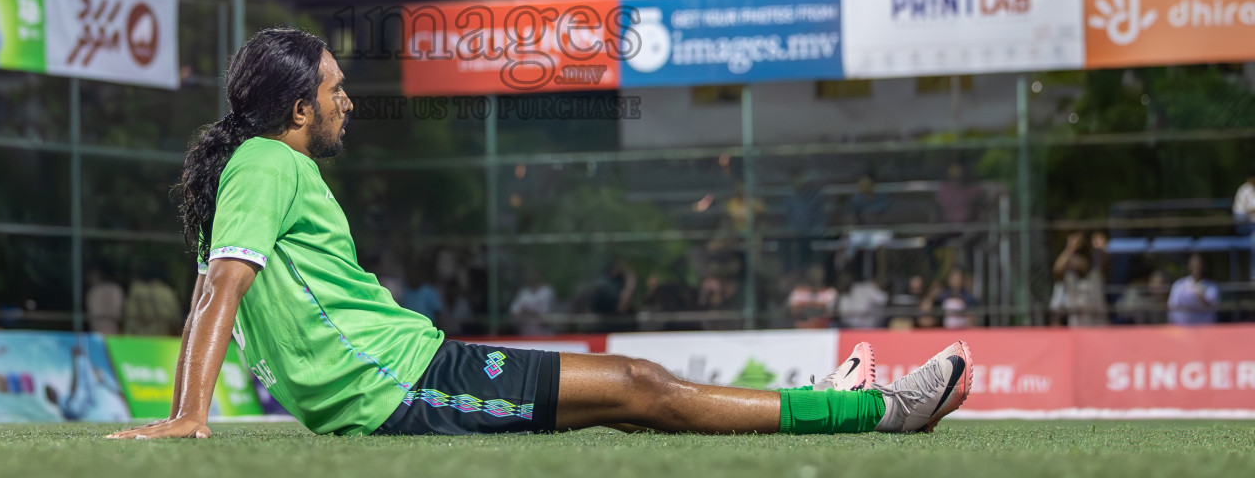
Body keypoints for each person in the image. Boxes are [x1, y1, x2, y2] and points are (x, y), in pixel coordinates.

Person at [107, 28, 972, 441]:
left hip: (412, 373)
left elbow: (205, 293)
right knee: (641, 386)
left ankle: (827, 400)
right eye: (334, 89)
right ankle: (882, 411)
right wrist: (188, 416)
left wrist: (189, 404)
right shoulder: (268, 165)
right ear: (298, 108)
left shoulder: (247, 174)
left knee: (638, 396)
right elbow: (221, 291)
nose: (346, 100)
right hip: (405, 389)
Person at [1049, 232, 1107, 327]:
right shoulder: (1069, 275)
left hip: (1098, 320)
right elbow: (1057, 269)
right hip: (1078, 323)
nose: (1075, 260)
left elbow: (1103, 260)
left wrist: (1098, 246)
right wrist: (1069, 249)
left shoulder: (1096, 272)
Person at [124, 264, 183, 336]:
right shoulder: (167, 292)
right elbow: (175, 318)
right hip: (160, 335)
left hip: (139, 335)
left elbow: (130, 313)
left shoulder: (136, 289)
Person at [1167, 253, 1220, 325]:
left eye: (1199, 264)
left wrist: (1201, 298)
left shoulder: (1212, 286)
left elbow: (1214, 306)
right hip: (1181, 328)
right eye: (1194, 264)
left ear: (1204, 266)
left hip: (1206, 328)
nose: (1197, 267)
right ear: (1189, 266)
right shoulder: (1179, 284)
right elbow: (1171, 305)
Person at [507, 270, 558, 336]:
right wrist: (531, 314)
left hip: (545, 337)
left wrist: (526, 312)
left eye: (534, 275)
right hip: (525, 337)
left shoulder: (547, 291)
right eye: (529, 276)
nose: (531, 278)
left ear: (539, 276)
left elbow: (545, 317)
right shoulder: (523, 292)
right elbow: (513, 313)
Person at [86, 269, 126, 335]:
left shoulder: (95, 291)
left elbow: (93, 312)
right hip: (108, 330)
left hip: (103, 330)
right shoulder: (116, 289)